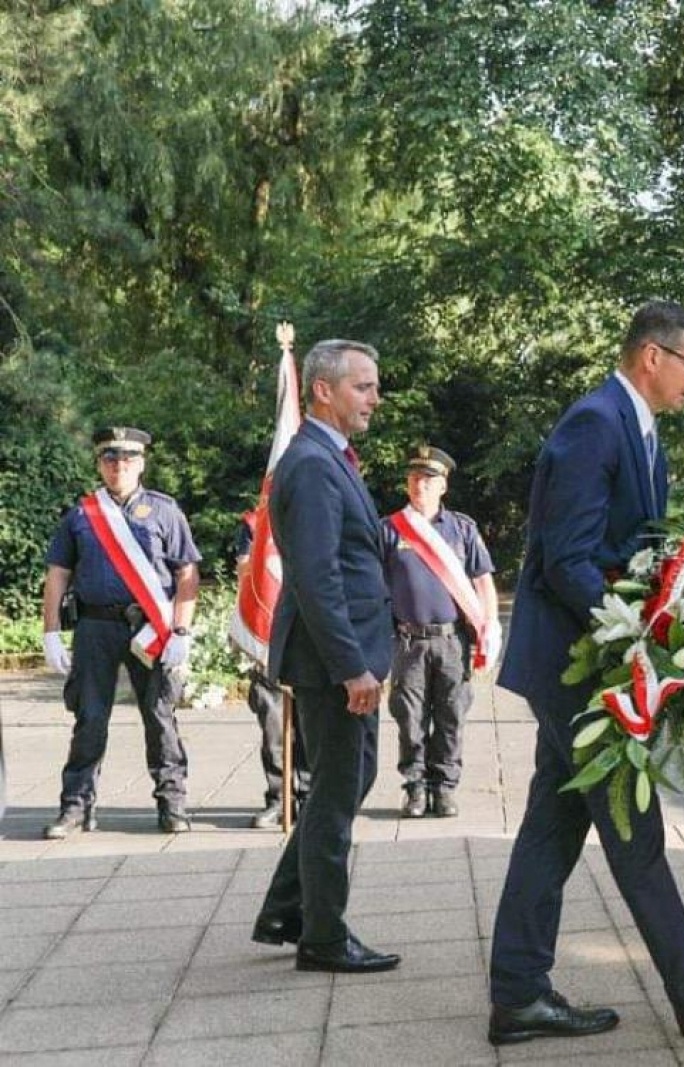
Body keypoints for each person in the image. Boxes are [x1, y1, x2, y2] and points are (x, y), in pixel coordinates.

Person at [489, 301, 684, 1046]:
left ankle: (519, 991)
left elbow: (632, 550)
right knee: (633, 824)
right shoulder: (596, 423)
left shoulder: (641, 431)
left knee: (552, 829)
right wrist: (640, 639)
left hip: (585, 662)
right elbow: (568, 560)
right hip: (575, 667)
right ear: (651, 356)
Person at [249, 339, 401, 975]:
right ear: (322, 391)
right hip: (333, 665)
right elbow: (315, 578)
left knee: (349, 782)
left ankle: (288, 910)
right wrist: (351, 669)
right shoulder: (312, 463)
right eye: (362, 386)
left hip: (344, 658)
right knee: (337, 795)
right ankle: (324, 938)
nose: (374, 398)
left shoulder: (327, 457)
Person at [40, 426, 200, 838]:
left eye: (127, 460)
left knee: (160, 717)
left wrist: (182, 630)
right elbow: (58, 573)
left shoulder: (165, 512)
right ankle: (75, 807)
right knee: (90, 717)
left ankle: (172, 804)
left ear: (142, 463)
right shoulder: (81, 515)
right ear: (100, 464)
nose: (119, 467)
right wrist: (52, 632)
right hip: (95, 626)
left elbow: (186, 574)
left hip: (152, 629)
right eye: (110, 460)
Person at [382, 445, 499, 819]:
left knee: (451, 716)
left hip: (452, 641)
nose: (420, 485)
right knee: (409, 718)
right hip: (407, 641)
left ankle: (444, 788)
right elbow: (375, 588)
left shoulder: (462, 529)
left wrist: (489, 629)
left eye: (428, 479)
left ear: (443, 486)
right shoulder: (388, 530)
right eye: (415, 478)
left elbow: (483, 582)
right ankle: (415, 788)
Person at [233, 518, 309, 829]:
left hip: (309, 635)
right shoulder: (253, 526)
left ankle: (310, 797)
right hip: (268, 638)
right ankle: (279, 799)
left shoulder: (319, 516)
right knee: (274, 729)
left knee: (311, 728)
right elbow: (245, 576)